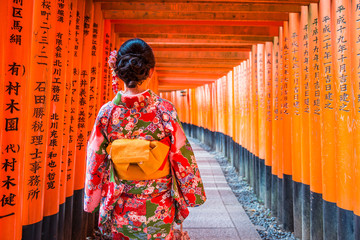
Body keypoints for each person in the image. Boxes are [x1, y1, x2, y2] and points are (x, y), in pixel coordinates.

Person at [84, 38, 206, 240]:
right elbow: (181, 155)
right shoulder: (164, 110)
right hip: (158, 204)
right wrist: (192, 194)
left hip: (121, 201)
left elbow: (95, 158)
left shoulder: (107, 113)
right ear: (150, 71)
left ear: (119, 71)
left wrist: (91, 199)